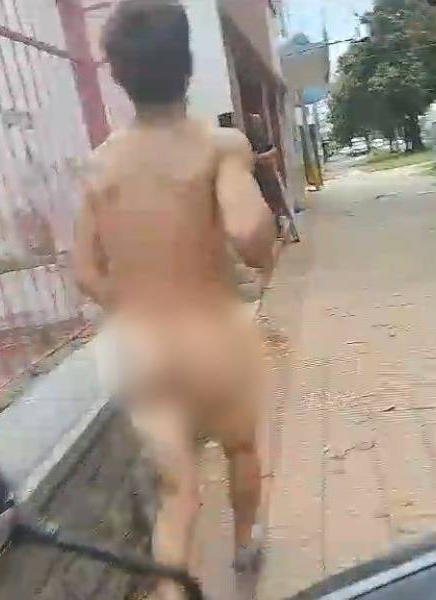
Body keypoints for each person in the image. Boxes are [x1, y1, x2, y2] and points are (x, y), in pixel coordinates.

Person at [74, 1, 276, 598]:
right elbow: (249, 233)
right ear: (187, 65)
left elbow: (84, 270)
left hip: (141, 346)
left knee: (177, 492)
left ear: (118, 76)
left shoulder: (99, 164)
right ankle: (245, 545)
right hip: (212, 337)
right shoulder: (219, 146)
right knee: (240, 447)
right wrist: (260, 250)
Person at [245, 113, 300, 244]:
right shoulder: (250, 143)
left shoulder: (263, 142)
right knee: (273, 207)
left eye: (257, 123)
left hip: (271, 177)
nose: (256, 126)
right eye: (255, 123)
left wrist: (259, 158)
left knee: (281, 205)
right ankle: (282, 231)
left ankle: (291, 231)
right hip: (263, 179)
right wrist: (260, 159)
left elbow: (271, 154)